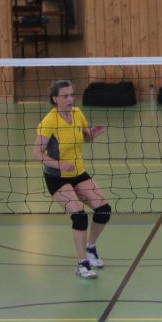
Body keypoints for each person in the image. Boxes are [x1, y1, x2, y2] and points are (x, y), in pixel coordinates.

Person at [32, 80, 109, 279]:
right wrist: (60, 165)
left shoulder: (77, 113)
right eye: (65, 96)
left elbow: (85, 137)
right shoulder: (48, 122)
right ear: (55, 99)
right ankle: (82, 264)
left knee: (104, 210)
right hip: (57, 176)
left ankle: (90, 248)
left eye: (72, 95)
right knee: (79, 217)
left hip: (78, 172)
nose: (70, 99)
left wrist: (92, 134)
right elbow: (37, 154)